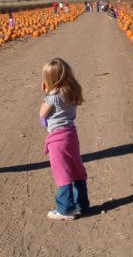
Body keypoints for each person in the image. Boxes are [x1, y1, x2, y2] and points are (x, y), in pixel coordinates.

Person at [39, 58, 89, 220]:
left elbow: (42, 115)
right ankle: (81, 205)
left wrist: (46, 94)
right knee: (75, 169)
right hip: (71, 135)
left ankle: (65, 210)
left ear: (50, 81)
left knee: (63, 173)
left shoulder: (52, 97)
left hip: (57, 140)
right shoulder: (72, 91)